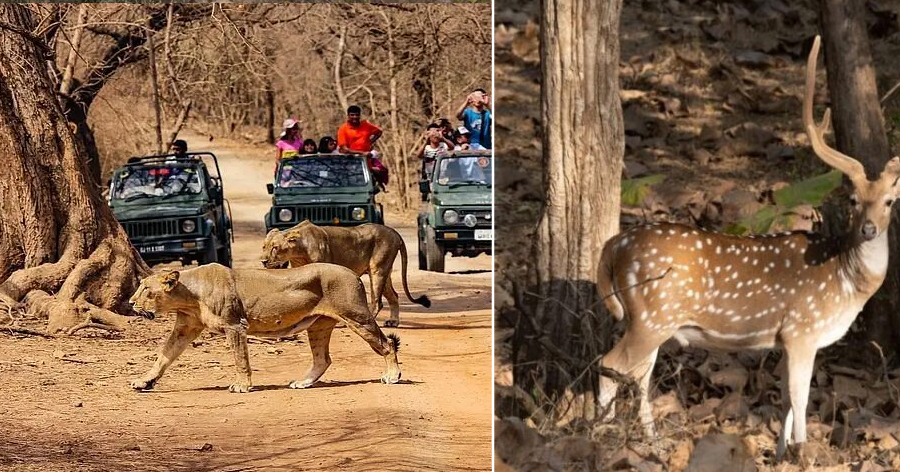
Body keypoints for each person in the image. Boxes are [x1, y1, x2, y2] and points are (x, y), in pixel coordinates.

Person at [337, 105, 388, 190]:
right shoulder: (343, 129)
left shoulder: (365, 125)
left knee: (371, 183)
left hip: (366, 162)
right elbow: (344, 148)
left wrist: (370, 142)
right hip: (351, 162)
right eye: (352, 115)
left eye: (357, 115)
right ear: (348, 115)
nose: (355, 117)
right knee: (354, 185)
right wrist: (362, 153)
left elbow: (379, 132)